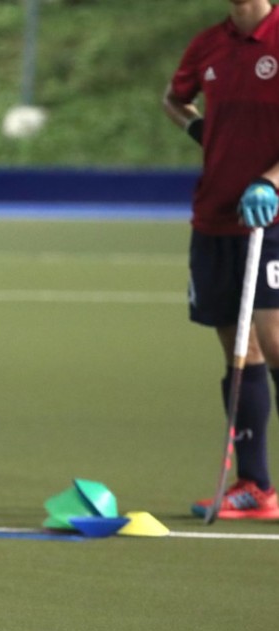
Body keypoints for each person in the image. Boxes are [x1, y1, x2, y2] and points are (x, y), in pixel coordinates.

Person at [162, 0, 279, 519]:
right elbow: (174, 99)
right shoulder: (208, 43)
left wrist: (271, 182)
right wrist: (199, 130)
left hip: (271, 217)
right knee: (237, 345)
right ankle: (254, 485)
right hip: (215, 215)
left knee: (275, 340)